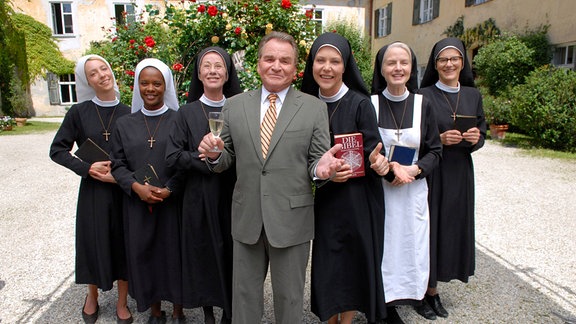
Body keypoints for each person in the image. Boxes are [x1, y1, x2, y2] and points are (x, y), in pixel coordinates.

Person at [198, 31, 344, 324]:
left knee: (290, 300)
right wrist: (214, 155)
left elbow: (317, 161)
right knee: (244, 299)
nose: (277, 65)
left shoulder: (314, 108)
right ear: (258, 63)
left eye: (285, 60)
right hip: (246, 217)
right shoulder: (234, 105)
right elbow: (226, 158)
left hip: (292, 221)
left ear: (294, 68)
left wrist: (322, 170)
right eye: (270, 58)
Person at [300, 32, 389, 324]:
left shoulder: (360, 104)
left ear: (345, 66)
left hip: (357, 198)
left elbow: (373, 147)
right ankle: (329, 318)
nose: (327, 67)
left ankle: (346, 321)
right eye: (320, 60)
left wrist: (374, 159)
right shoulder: (304, 105)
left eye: (335, 61)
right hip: (324, 199)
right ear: (311, 64)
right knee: (327, 264)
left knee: (352, 262)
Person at [49, 54, 133, 324]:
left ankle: (122, 301)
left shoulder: (130, 111)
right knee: (93, 242)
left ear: (111, 70)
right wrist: (87, 169)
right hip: (94, 192)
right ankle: (92, 295)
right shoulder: (79, 112)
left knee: (123, 244)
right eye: (93, 73)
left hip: (123, 192)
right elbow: (57, 150)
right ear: (87, 81)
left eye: (104, 68)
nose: (101, 75)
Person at [166, 46, 242, 324]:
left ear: (227, 73)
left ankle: (231, 310)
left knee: (233, 252)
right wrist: (205, 159)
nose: (212, 70)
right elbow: (172, 157)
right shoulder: (185, 113)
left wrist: (221, 158)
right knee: (204, 252)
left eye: (219, 66)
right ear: (199, 73)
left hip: (233, 194)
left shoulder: (239, 109)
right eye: (206, 66)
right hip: (198, 197)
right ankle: (209, 309)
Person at [371, 42, 442, 323]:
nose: (397, 68)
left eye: (404, 62)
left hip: (412, 190)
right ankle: (385, 305)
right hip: (382, 191)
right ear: (381, 68)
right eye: (391, 63)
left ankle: (416, 295)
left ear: (412, 68)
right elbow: (368, 148)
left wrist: (412, 170)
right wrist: (388, 170)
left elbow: (435, 151)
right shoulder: (371, 103)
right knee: (386, 248)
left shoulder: (425, 103)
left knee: (413, 245)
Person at [416, 37, 486, 320]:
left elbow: (482, 130)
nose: (449, 64)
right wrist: (439, 139)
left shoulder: (472, 94)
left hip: (460, 173)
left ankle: (435, 288)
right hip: (434, 172)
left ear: (462, 63)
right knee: (429, 229)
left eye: (454, 58)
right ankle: (423, 291)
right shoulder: (422, 95)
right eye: (443, 59)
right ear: (435, 65)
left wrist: (476, 139)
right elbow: (415, 136)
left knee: (452, 228)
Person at [110, 58, 185, 323]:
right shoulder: (124, 124)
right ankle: (155, 311)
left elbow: (185, 162)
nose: (150, 88)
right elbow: (117, 165)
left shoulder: (179, 119)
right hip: (137, 203)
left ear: (166, 86)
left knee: (173, 256)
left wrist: (170, 189)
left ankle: (178, 311)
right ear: (137, 86)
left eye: (156, 83)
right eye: (144, 83)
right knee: (146, 257)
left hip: (172, 203)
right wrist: (136, 187)